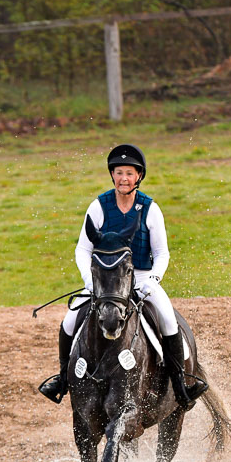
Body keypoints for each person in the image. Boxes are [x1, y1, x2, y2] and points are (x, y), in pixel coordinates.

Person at [38, 143, 207, 409]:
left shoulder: (150, 209)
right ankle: (62, 380)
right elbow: (83, 249)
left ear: (138, 176)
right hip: (105, 280)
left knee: (167, 319)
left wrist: (153, 280)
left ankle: (180, 384)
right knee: (70, 320)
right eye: (118, 172)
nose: (123, 178)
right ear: (112, 175)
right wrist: (88, 279)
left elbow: (162, 253)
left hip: (140, 277)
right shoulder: (98, 206)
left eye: (129, 173)